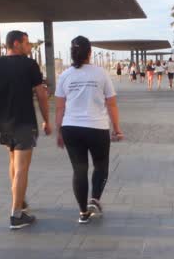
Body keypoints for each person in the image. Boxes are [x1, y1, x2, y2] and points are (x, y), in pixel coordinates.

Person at [0, 30, 51, 230]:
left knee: (13, 162)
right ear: (17, 43)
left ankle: (20, 201)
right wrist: (47, 121)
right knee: (22, 167)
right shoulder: (29, 65)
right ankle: (16, 215)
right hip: (24, 122)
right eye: (26, 43)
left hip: (3, 123)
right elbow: (42, 95)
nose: (29, 47)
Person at [55, 36, 124, 224]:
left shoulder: (65, 75)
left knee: (79, 170)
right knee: (101, 165)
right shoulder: (100, 74)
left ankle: (82, 213)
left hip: (71, 128)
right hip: (97, 128)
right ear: (89, 53)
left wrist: (58, 131)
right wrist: (117, 129)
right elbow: (112, 104)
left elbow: (60, 107)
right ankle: (94, 199)